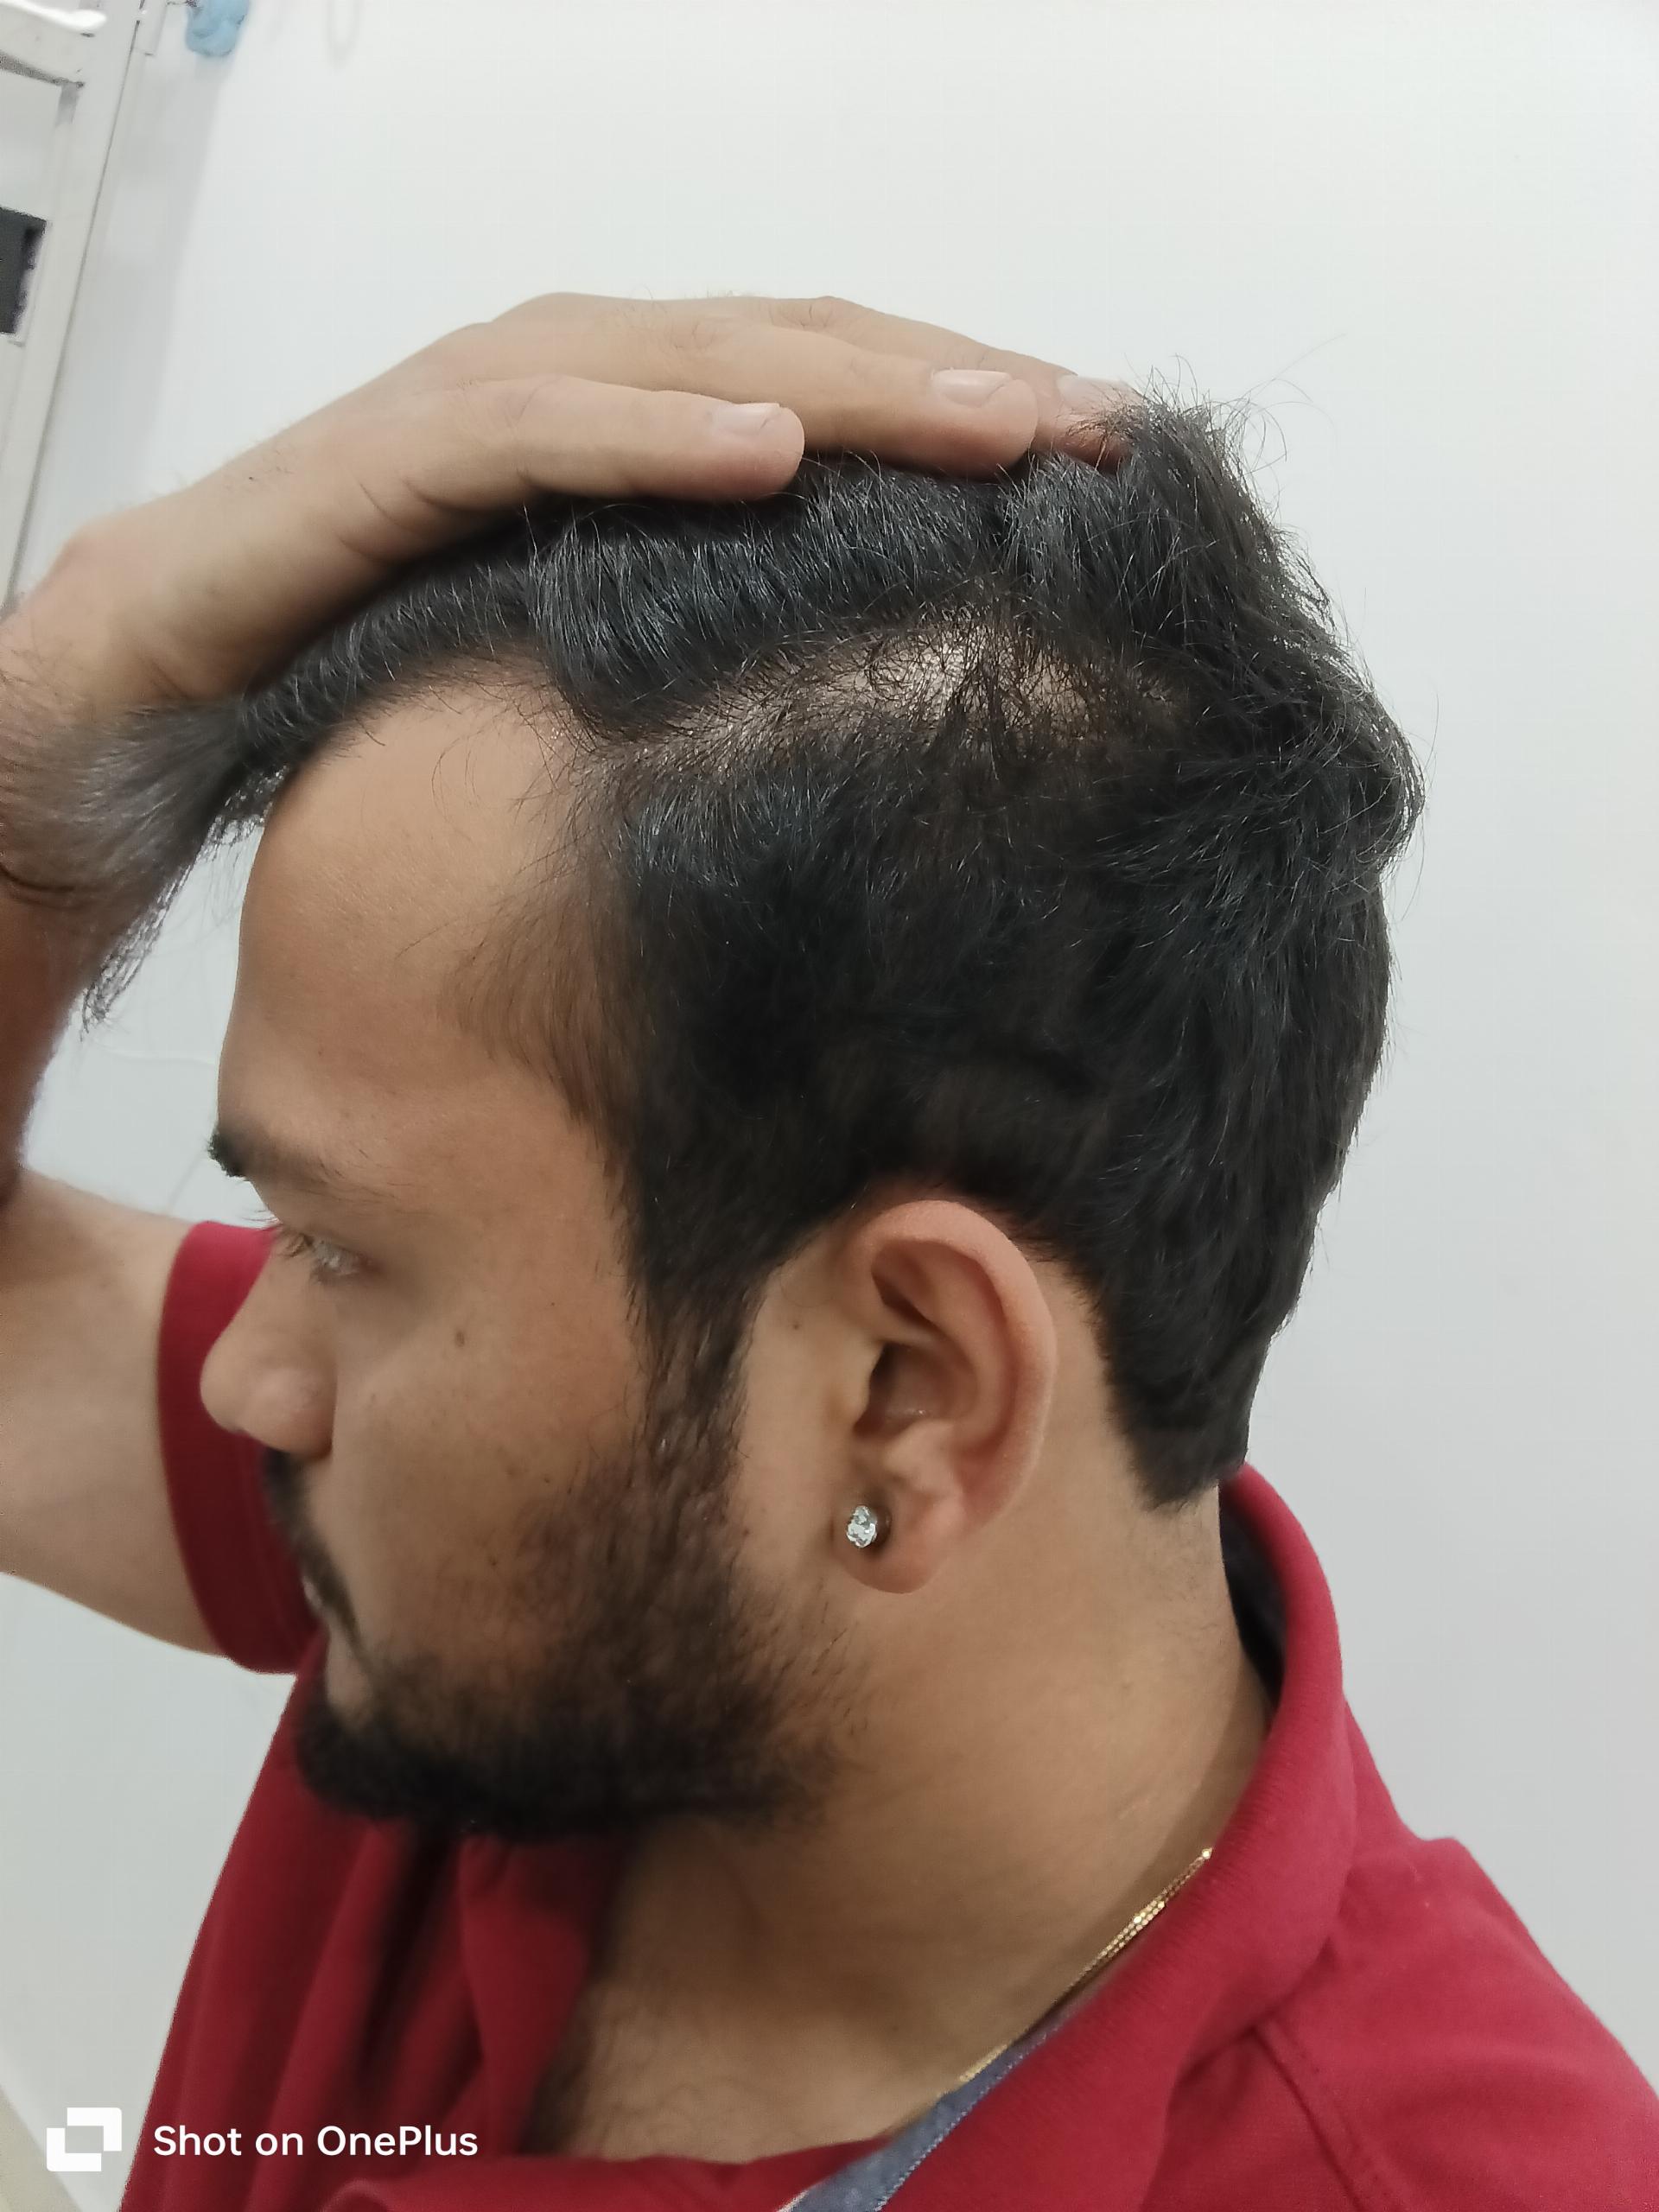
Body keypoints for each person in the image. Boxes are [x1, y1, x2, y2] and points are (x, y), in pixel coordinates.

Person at [0, 293, 1652, 2212]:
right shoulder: (574, 1584)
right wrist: (69, 683)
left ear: (905, 1388)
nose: (247, 1377)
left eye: (339, 1248)